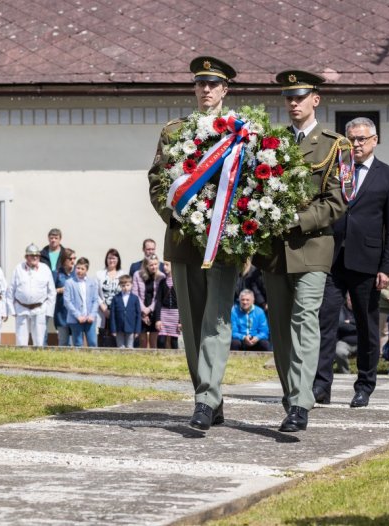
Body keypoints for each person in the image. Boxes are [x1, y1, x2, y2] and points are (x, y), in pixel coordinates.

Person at [253, 70, 349, 432]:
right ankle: (290, 393)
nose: (293, 103)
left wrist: (297, 218)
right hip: (274, 251)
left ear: (315, 100)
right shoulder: (271, 143)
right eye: (288, 97)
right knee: (279, 329)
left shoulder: (334, 145)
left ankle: (300, 403)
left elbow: (340, 200)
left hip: (312, 246)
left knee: (304, 319)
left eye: (299, 96)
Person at [147, 56, 238, 430]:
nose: (206, 90)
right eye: (200, 83)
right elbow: (156, 182)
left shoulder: (240, 132)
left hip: (226, 243)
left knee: (215, 321)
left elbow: (250, 185)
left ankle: (204, 400)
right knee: (192, 323)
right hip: (184, 241)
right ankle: (209, 395)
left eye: (213, 84)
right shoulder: (174, 132)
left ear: (225, 90)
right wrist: (177, 214)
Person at [314, 116, 389, 408]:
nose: (356, 144)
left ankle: (364, 385)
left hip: (367, 263)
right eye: (351, 139)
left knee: (367, 327)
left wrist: (387, 268)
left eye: (362, 139)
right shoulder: (336, 170)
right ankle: (320, 386)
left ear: (374, 140)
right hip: (332, 258)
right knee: (324, 322)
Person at [7, 243, 57, 347]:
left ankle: (39, 360)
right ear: (26, 257)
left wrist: (49, 311)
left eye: (37, 255)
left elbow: (52, 291)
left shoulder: (45, 269)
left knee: (39, 339)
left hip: (40, 308)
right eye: (32, 255)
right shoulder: (18, 269)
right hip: (21, 308)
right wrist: (11, 309)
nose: (35, 257)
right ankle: (21, 358)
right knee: (21, 339)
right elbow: (11, 290)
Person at [64, 256, 99, 347]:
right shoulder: (69, 282)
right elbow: (67, 302)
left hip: (89, 319)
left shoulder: (92, 282)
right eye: (78, 268)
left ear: (86, 270)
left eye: (82, 269)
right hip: (75, 319)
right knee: (78, 344)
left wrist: (92, 315)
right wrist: (78, 316)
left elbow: (95, 300)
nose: (79, 270)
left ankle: (93, 361)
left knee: (92, 343)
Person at [133, 254, 164, 349]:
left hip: (154, 311)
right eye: (151, 265)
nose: (154, 267)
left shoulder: (161, 276)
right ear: (146, 265)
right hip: (141, 311)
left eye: (155, 264)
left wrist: (149, 309)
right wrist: (143, 310)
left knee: (153, 340)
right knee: (142, 340)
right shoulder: (137, 275)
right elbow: (135, 294)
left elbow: (159, 297)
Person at [96, 248, 124, 347]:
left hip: (117, 310)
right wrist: (104, 308)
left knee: (116, 333)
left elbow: (125, 293)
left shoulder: (123, 274)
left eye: (114, 258)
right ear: (106, 259)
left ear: (118, 260)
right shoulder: (99, 274)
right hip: (103, 309)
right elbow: (95, 294)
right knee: (103, 333)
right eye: (109, 258)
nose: (111, 260)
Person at [154, 261, 181, 349]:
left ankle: (175, 360)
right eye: (164, 264)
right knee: (161, 340)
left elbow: (182, 304)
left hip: (176, 315)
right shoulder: (162, 282)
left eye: (167, 265)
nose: (164, 267)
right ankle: (160, 358)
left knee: (174, 341)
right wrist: (158, 319)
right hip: (164, 314)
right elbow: (158, 301)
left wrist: (181, 321)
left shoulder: (179, 282)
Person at [110, 274, 141, 348]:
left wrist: (137, 330)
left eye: (127, 285)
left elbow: (138, 315)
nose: (125, 287)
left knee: (130, 347)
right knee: (120, 347)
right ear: (120, 286)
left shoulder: (135, 298)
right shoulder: (116, 298)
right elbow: (112, 315)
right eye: (123, 285)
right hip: (119, 328)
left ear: (131, 285)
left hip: (131, 327)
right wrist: (113, 329)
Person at [52, 248, 76, 346]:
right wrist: (59, 290)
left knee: (76, 342)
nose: (73, 261)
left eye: (74, 258)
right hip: (61, 313)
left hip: (75, 313)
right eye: (70, 259)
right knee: (63, 342)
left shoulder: (77, 273)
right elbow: (49, 291)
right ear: (64, 260)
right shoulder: (57, 273)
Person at [334, 292, 358, 375]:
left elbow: (365, 325)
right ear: (346, 300)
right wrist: (356, 325)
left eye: (353, 299)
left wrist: (349, 322)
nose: (351, 301)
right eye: (349, 299)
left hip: (360, 341)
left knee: (371, 349)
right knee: (338, 351)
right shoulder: (341, 310)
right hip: (344, 341)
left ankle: (363, 375)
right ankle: (345, 374)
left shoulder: (361, 309)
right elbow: (340, 325)